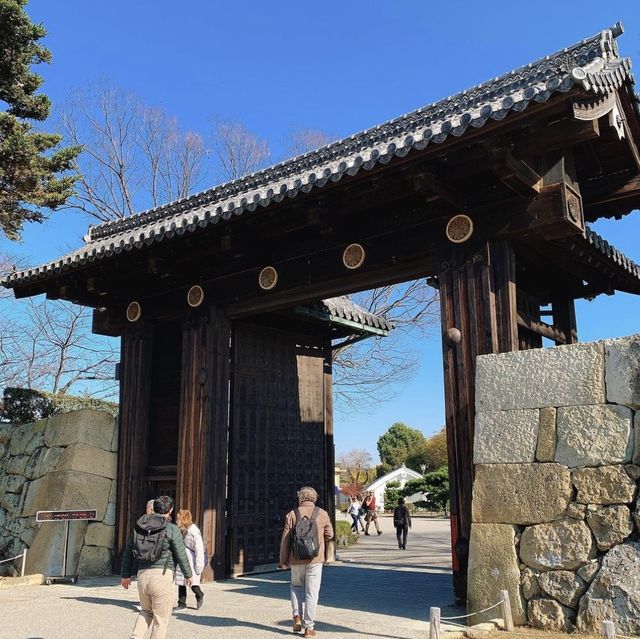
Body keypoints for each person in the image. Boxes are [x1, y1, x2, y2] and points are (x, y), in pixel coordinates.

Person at [121, 495, 193, 639]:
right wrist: (188, 574)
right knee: (160, 620)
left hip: (142, 575)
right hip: (162, 576)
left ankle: (135, 637)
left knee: (146, 612)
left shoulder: (140, 526)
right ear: (171, 510)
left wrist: (125, 575)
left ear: (154, 508)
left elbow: (128, 551)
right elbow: (180, 553)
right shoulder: (171, 528)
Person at [279, 486, 334, 638]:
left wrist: (283, 560)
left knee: (296, 586)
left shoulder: (292, 514)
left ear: (300, 498)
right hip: (315, 560)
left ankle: (297, 615)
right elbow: (330, 534)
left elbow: (285, 539)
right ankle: (309, 628)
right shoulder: (322, 513)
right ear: (314, 498)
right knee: (312, 593)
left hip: (296, 559)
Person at [174, 509, 206, 610]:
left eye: (178, 518)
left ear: (183, 519)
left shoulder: (194, 532)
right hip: (182, 557)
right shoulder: (180, 529)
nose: (176, 520)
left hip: (191, 560)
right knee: (181, 583)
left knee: (193, 584)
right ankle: (181, 603)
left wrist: (199, 566)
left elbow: (199, 550)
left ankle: (199, 594)